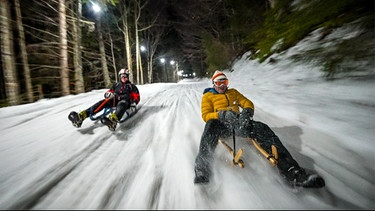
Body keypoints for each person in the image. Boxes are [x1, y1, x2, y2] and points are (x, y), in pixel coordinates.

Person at [193, 70, 325, 188]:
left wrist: (246, 112)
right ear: (213, 84)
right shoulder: (208, 96)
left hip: (239, 123)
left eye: (224, 82)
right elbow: (206, 115)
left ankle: (292, 172)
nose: (222, 86)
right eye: (218, 83)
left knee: (263, 128)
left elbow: (247, 102)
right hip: (221, 126)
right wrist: (221, 114)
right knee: (210, 125)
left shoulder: (233, 92)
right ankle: (202, 169)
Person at [68, 68, 140, 131]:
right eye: (122, 76)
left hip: (125, 102)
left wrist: (134, 102)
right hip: (114, 100)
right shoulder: (116, 85)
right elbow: (109, 92)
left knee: (122, 104)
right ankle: (82, 116)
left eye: (125, 76)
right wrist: (108, 94)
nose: (123, 78)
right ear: (119, 77)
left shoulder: (131, 86)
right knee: (103, 102)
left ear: (127, 77)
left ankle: (113, 121)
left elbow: (137, 97)